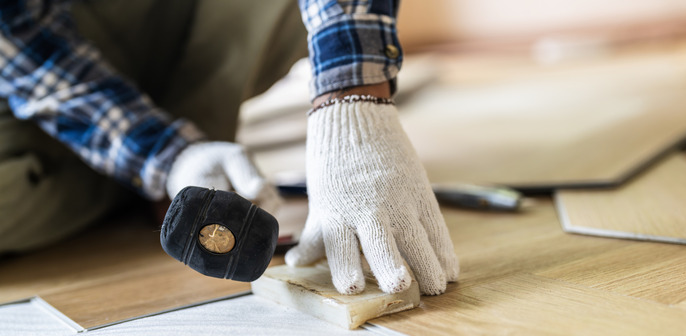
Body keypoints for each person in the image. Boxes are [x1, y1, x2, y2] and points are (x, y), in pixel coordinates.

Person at [0, 0, 458, 296]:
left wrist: (352, 98)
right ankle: (153, 168)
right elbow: (22, 47)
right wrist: (169, 155)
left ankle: (162, 161)